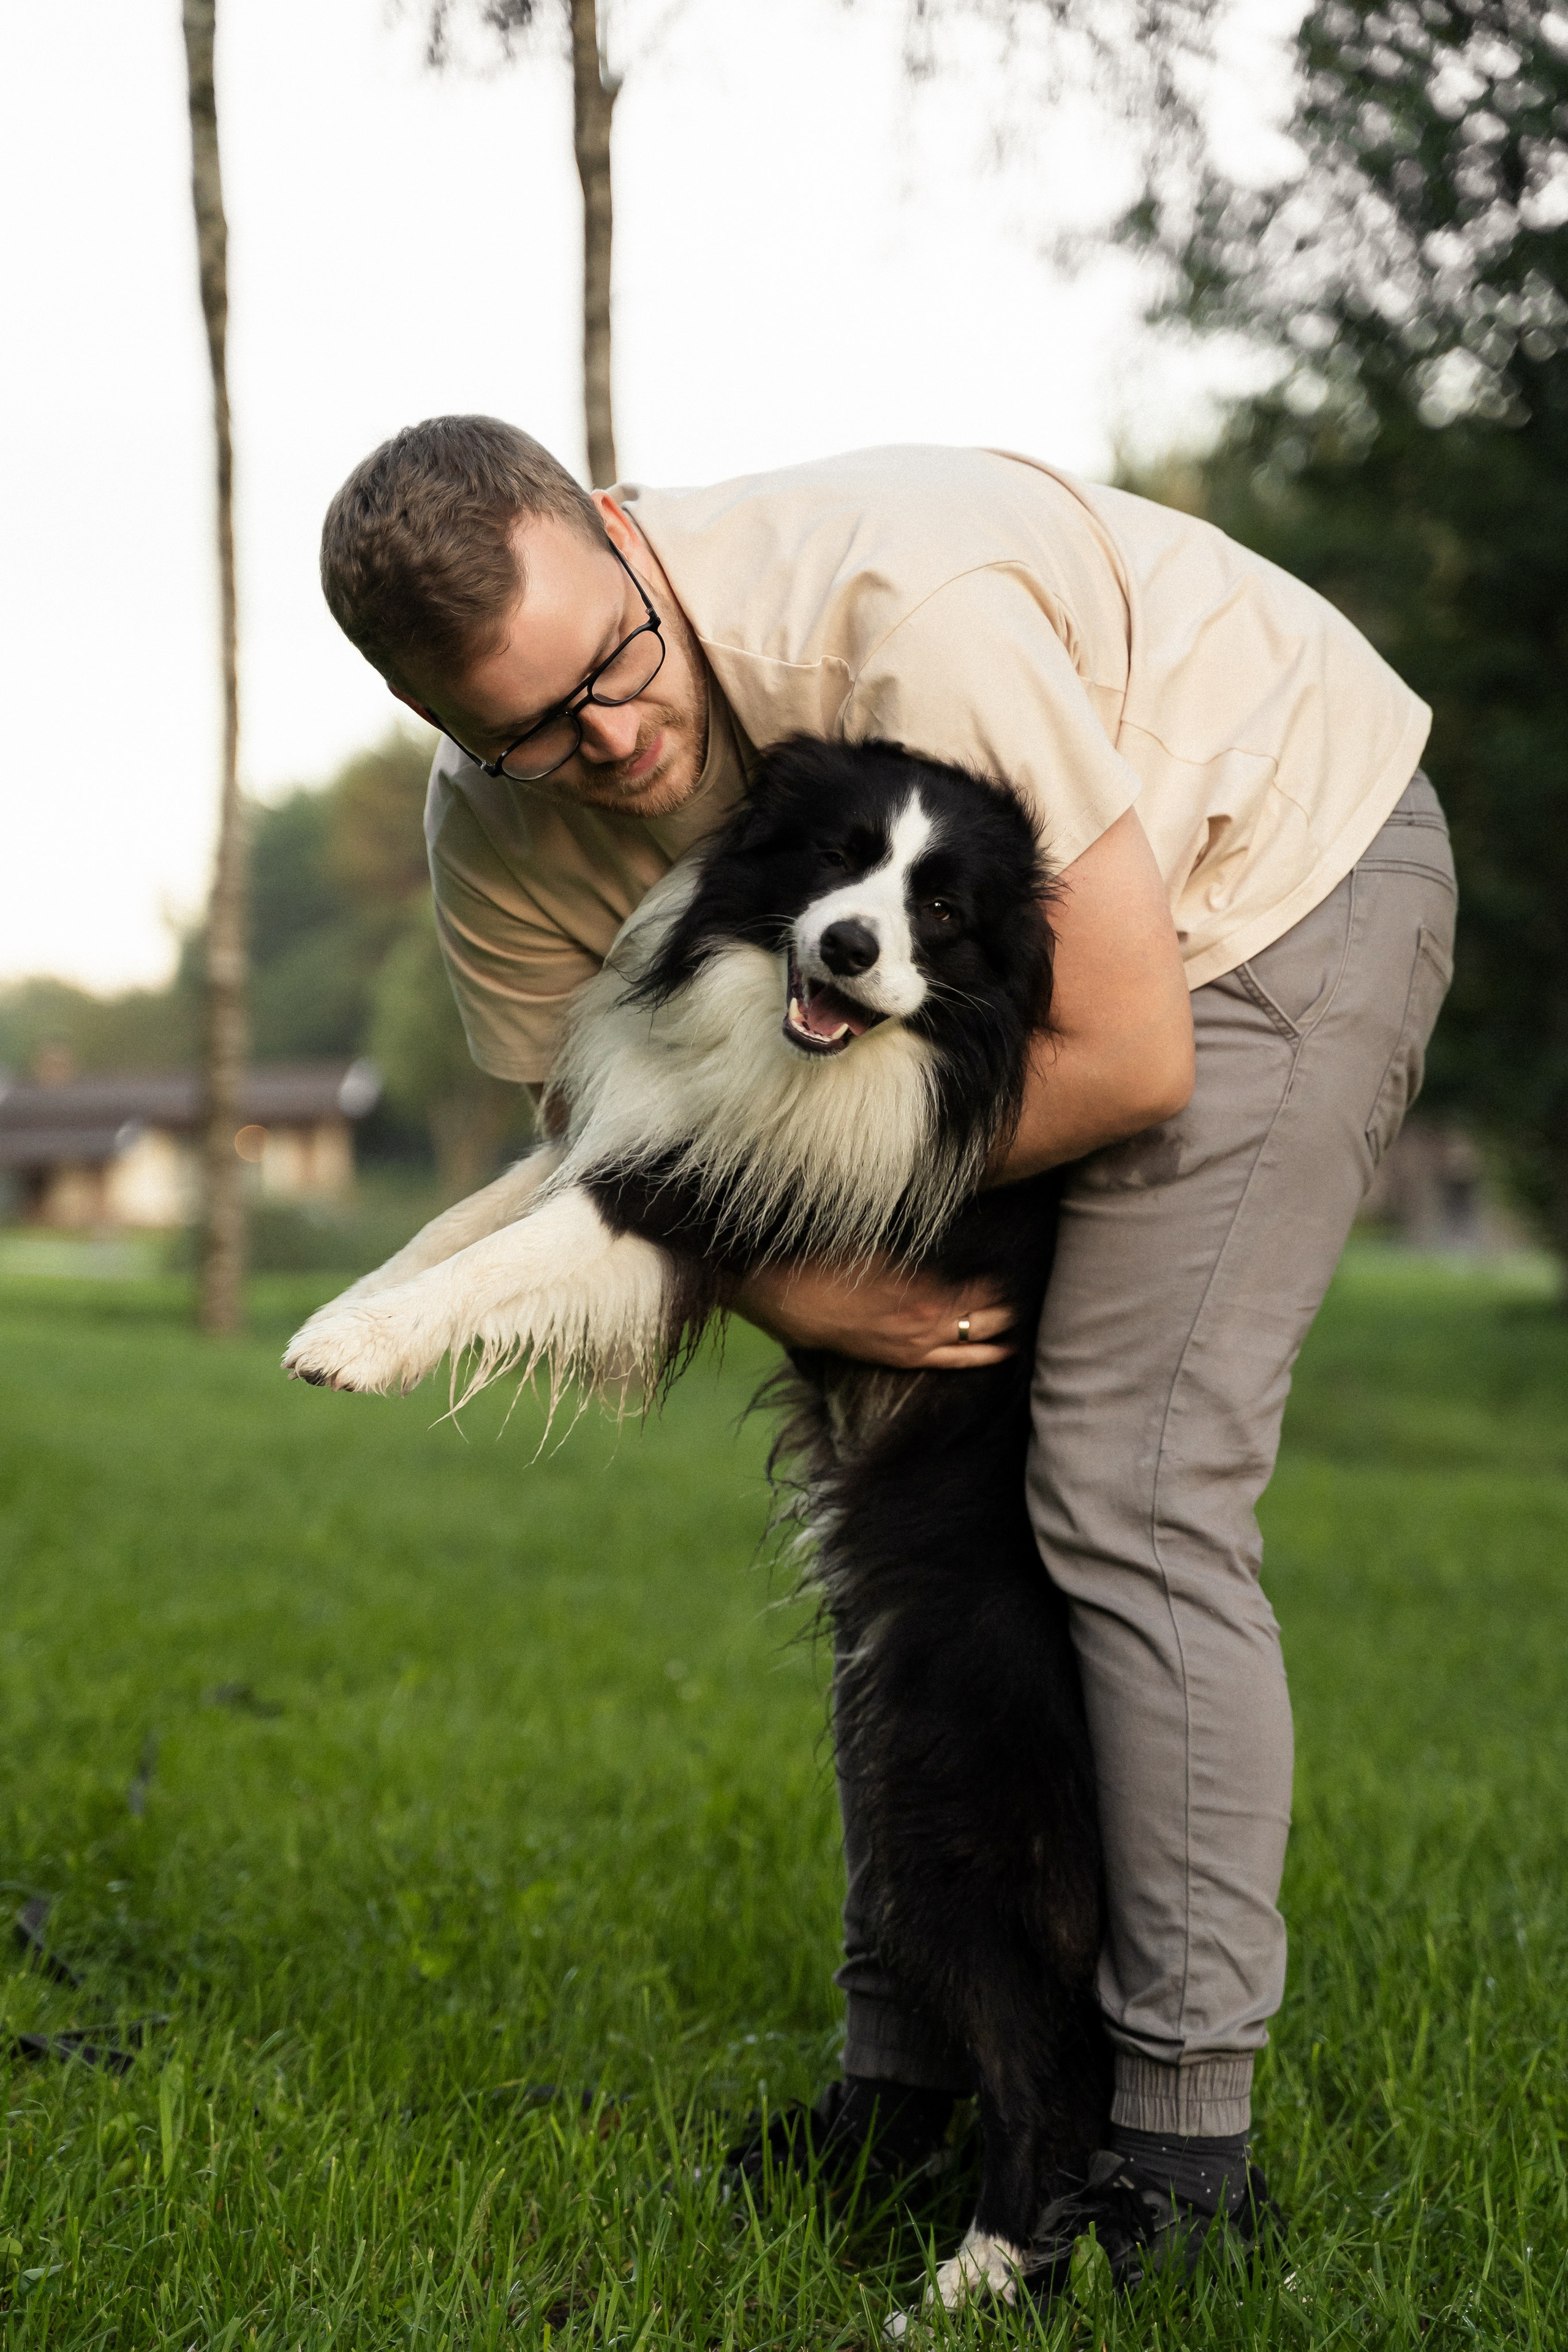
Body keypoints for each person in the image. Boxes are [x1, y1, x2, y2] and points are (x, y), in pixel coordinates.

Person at [318, 417, 1455, 2291]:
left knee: (1126, 1476)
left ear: (623, 534)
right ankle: (905, 2085)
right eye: (525, 729)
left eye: (610, 669)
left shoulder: (888, 603)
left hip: (1270, 886)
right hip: (997, 980)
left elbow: (1136, 1053)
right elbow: (612, 1157)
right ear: (442, 719)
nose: (600, 745)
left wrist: (813, 1223)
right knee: (912, 1505)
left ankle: (1178, 2146)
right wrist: (803, 1290)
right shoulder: (500, 826)